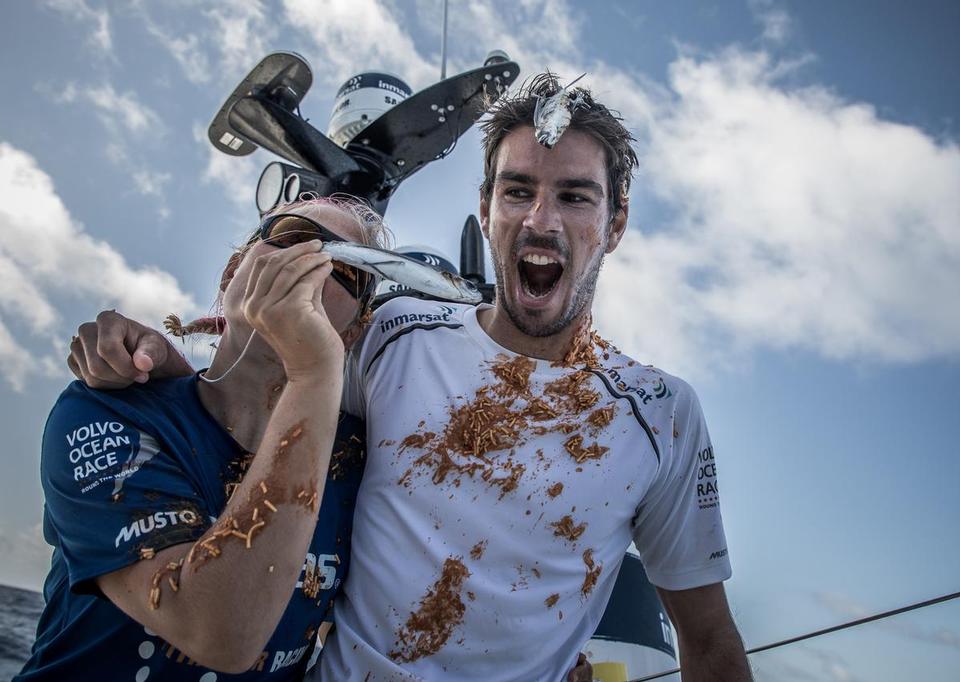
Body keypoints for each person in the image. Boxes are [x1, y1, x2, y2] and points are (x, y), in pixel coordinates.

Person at [70, 73, 751, 681]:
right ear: (486, 208)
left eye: (575, 197)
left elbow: (709, 637)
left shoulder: (661, 413)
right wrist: (159, 364)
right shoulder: (393, 332)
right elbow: (261, 392)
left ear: (615, 223)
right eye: (518, 191)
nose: (542, 220)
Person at [17, 198, 385, 681]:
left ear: (354, 330)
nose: (310, 267)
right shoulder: (111, 411)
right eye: (293, 238)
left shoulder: (362, 459)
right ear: (234, 271)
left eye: (349, 270)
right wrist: (313, 372)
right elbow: (216, 631)